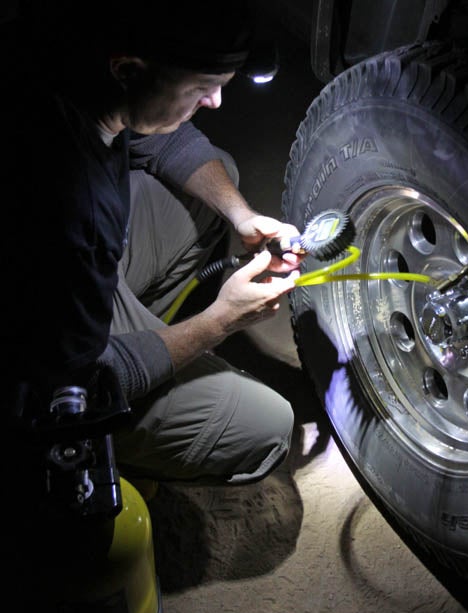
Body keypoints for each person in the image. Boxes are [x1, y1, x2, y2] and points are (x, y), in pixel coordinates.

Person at [1, 0, 303, 486]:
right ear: (127, 70)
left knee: (216, 182)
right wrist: (221, 319)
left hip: (62, 292)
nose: (216, 103)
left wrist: (242, 215)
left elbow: (165, 141)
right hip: (46, 379)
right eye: (203, 88)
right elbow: (80, 385)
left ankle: (131, 335)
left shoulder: (61, 50)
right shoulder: (68, 209)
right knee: (266, 427)